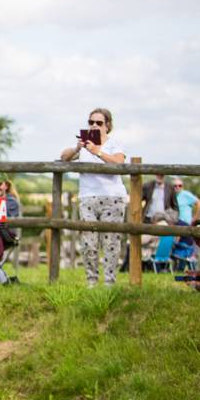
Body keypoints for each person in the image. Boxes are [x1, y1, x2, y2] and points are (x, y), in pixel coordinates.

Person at [60, 107, 127, 287]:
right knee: (89, 242)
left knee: (111, 242)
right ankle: (91, 282)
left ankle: (109, 283)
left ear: (107, 126)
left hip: (112, 198)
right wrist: (78, 147)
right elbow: (64, 157)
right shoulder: (84, 146)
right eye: (91, 122)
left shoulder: (114, 144)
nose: (94, 126)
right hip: (87, 197)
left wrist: (97, 151)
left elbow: (119, 162)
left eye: (99, 122)